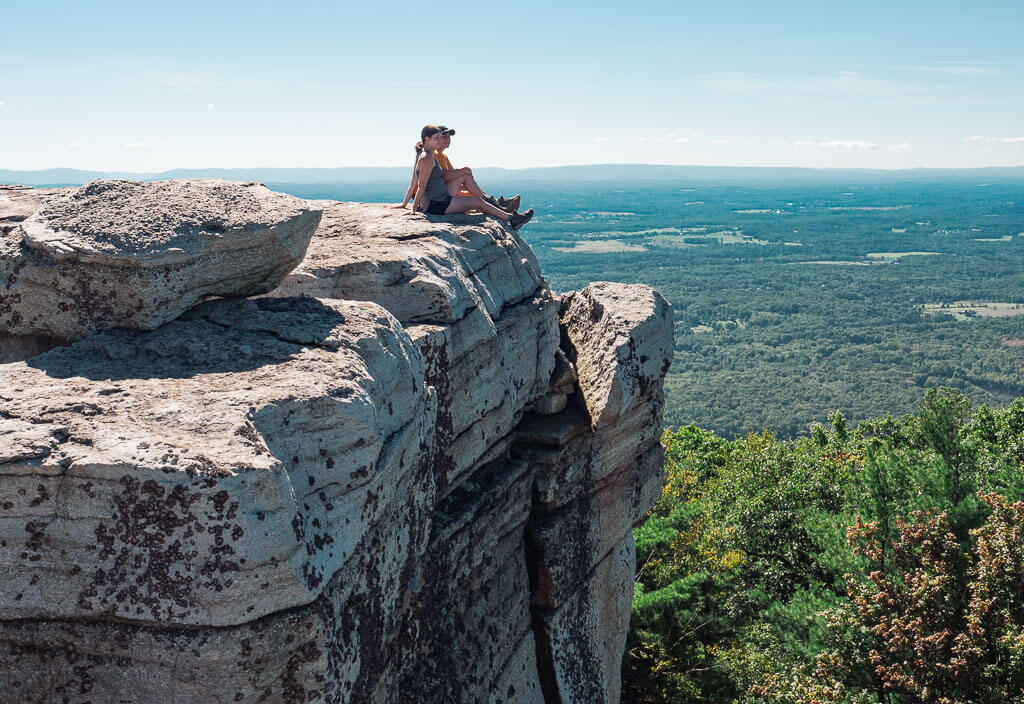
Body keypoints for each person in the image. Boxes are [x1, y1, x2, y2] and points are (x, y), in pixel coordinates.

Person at [408, 125, 533, 229]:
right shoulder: (428, 157)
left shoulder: (427, 156)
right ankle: (505, 212)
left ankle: (502, 210)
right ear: (427, 139)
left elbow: (415, 182)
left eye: (445, 137)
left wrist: (405, 205)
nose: (443, 140)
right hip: (436, 203)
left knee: (475, 195)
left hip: (439, 199)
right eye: (439, 137)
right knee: (476, 198)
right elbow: (424, 184)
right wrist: (414, 209)